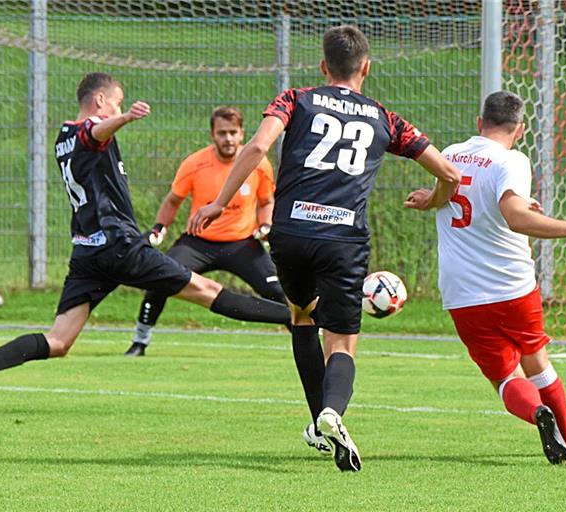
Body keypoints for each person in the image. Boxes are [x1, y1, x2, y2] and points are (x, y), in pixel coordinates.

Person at [188, 26, 461, 472]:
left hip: (290, 231)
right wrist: (432, 200)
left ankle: (318, 422)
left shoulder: (295, 99)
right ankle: (333, 411)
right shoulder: (385, 119)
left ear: (323, 67)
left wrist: (219, 202)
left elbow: (258, 145)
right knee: (342, 341)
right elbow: (449, 173)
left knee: (301, 313)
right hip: (343, 239)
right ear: (366, 68)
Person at [0, 72, 290, 413]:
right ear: (100, 100)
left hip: (87, 252)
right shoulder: (91, 130)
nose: (119, 109)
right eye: (117, 103)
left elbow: (89, 134)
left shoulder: (62, 135)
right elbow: (95, 130)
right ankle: (303, 316)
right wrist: (125, 119)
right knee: (208, 291)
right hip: (119, 245)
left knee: (59, 341)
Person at [405, 90, 566, 464]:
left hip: (463, 293)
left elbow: (452, 190)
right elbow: (515, 216)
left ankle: (537, 413)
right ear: (519, 129)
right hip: (513, 287)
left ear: (479, 122)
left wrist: (430, 200)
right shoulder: (512, 160)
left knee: (505, 378)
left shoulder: (451, 153)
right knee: (537, 361)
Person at [126, 107, 287, 357]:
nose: (228, 139)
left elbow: (267, 201)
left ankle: (307, 336)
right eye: (222, 133)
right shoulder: (195, 163)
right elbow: (172, 200)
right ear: (212, 135)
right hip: (198, 243)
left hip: (242, 243)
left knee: (278, 291)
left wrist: (265, 225)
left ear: (242, 133)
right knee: (159, 279)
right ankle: (140, 341)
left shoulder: (257, 162)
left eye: (233, 132)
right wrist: (160, 228)